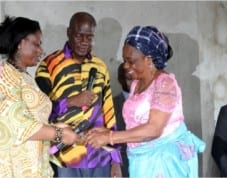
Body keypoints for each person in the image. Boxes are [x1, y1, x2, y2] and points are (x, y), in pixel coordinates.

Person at [86, 25, 206, 178]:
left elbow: (154, 129)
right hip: (141, 160)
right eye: (124, 60)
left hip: (163, 163)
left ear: (148, 60)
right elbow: (134, 123)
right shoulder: (137, 83)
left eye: (131, 61)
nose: (126, 66)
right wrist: (107, 132)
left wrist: (110, 137)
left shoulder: (165, 83)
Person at [0, 16, 79, 178]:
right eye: (37, 44)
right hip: (3, 164)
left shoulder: (24, 76)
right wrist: (58, 134)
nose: (41, 51)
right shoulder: (3, 76)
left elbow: (32, 117)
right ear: (21, 43)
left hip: (24, 161)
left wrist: (56, 127)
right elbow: (18, 124)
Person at [35, 11, 121, 177]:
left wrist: (115, 159)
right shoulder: (49, 65)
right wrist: (69, 102)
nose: (84, 42)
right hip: (64, 155)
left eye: (89, 37)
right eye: (79, 36)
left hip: (98, 154)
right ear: (69, 32)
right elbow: (39, 110)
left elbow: (109, 112)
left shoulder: (100, 66)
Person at [113, 63, 132, 177]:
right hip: (122, 162)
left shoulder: (150, 102)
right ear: (121, 80)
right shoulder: (112, 104)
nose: (134, 82)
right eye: (129, 78)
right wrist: (115, 163)